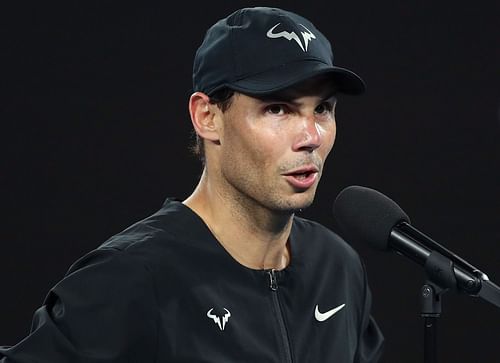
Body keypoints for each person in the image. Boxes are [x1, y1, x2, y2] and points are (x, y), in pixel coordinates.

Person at [1, 6, 384, 362]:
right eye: (277, 108)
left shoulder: (337, 267)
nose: (311, 136)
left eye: (323, 109)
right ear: (207, 117)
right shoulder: (131, 278)